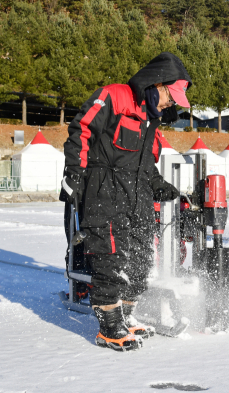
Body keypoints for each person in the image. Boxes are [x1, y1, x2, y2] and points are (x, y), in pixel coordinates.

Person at [60, 52, 191, 351]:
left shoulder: (151, 118)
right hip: (105, 189)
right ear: (158, 83)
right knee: (110, 258)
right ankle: (109, 327)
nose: (171, 104)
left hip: (137, 194)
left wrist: (158, 185)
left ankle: (126, 315)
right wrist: (74, 172)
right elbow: (81, 129)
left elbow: (145, 163)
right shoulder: (115, 96)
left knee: (141, 258)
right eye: (171, 97)